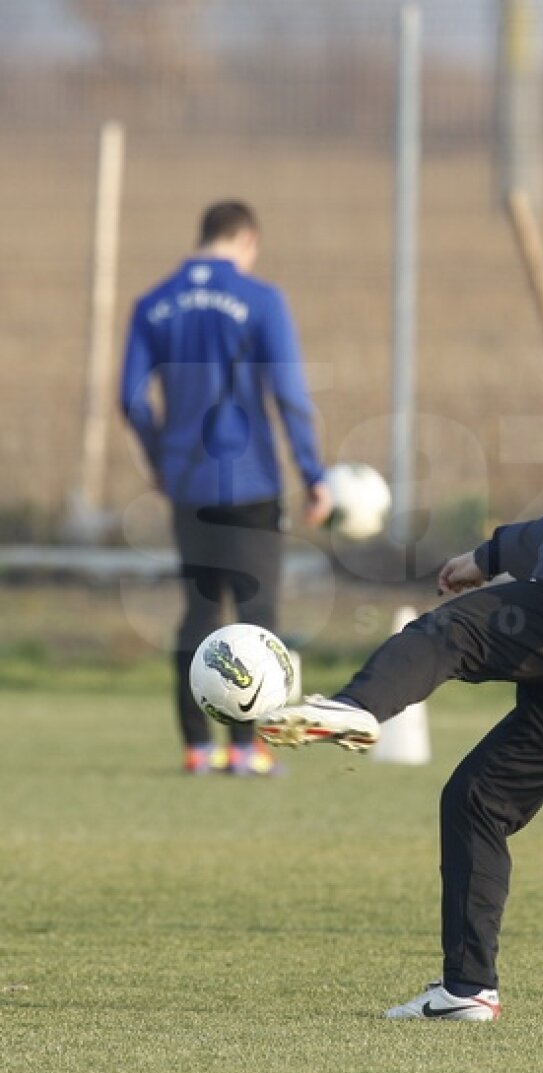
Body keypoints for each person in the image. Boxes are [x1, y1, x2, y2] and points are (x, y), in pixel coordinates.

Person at [257, 276, 543, 1019]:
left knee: (457, 629)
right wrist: (490, 555)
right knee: (479, 799)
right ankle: (466, 991)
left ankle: (355, 708)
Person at [120, 200, 331, 778]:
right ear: (247, 241)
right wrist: (313, 475)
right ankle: (246, 748)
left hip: (188, 481)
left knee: (198, 614)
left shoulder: (153, 303)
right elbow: (288, 393)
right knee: (256, 616)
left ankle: (195, 746)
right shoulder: (261, 300)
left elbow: (131, 396)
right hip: (252, 478)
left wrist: (160, 454)